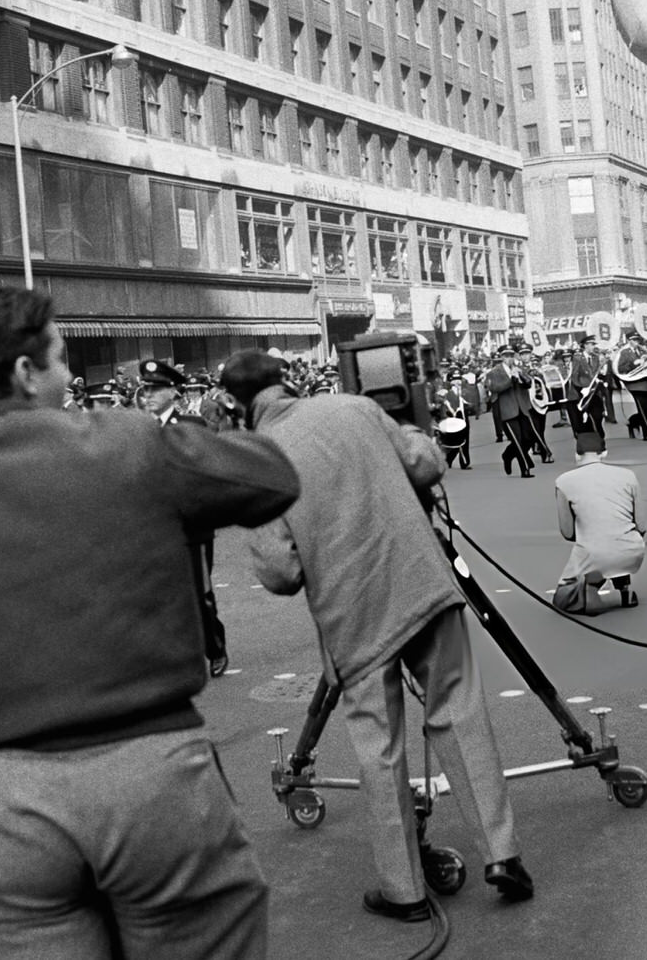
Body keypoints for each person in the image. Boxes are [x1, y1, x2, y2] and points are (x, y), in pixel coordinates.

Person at [0, 283, 300, 957]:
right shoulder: (133, 444)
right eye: (62, 360)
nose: (72, 377)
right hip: (156, 787)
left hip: (4, 812)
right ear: (24, 372)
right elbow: (274, 478)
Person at [220, 350, 533, 923]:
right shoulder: (357, 407)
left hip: (356, 624)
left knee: (380, 751)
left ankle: (404, 891)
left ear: (235, 406)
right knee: (461, 716)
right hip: (426, 590)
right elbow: (425, 464)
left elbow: (281, 574)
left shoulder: (258, 459)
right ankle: (503, 853)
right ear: (287, 381)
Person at [137, 358, 230, 677]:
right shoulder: (139, 429)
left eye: (155, 389)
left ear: (173, 392)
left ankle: (215, 647)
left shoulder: (192, 427)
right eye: (146, 388)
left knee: (199, 595)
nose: (147, 394)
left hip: (192, 530)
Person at [551, 432, 645, 615]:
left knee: (562, 599)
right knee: (616, 534)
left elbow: (567, 532)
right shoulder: (628, 476)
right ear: (604, 453)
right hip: (631, 552)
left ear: (577, 455)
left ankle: (590, 585)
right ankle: (625, 590)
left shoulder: (563, 481)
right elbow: (641, 525)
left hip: (594, 554)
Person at [484, 347, 538, 477]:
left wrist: (522, 378)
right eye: (506, 356)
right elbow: (495, 388)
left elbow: (528, 383)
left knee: (529, 438)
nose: (509, 358)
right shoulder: (494, 372)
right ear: (502, 357)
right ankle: (525, 470)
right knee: (517, 440)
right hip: (507, 411)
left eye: (511, 355)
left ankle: (507, 455)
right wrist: (511, 380)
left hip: (522, 408)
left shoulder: (518, 368)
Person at [614, 329, 647, 440]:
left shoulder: (642, 351)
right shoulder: (624, 353)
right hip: (634, 383)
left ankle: (633, 422)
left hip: (645, 381)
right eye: (634, 340)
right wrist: (633, 364)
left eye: (637, 339)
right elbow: (621, 368)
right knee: (642, 407)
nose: (636, 342)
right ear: (629, 341)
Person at [567, 334, 607, 439]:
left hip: (595, 391)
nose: (593, 347)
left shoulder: (595, 358)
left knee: (598, 414)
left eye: (593, 344)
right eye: (591, 344)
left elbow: (598, 373)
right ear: (585, 345)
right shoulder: (577, 358)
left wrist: (603, 372)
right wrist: (581, 388)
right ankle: (594, 436)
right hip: (583, 393)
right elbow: (574, 376)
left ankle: (599, 432)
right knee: (586, 417)